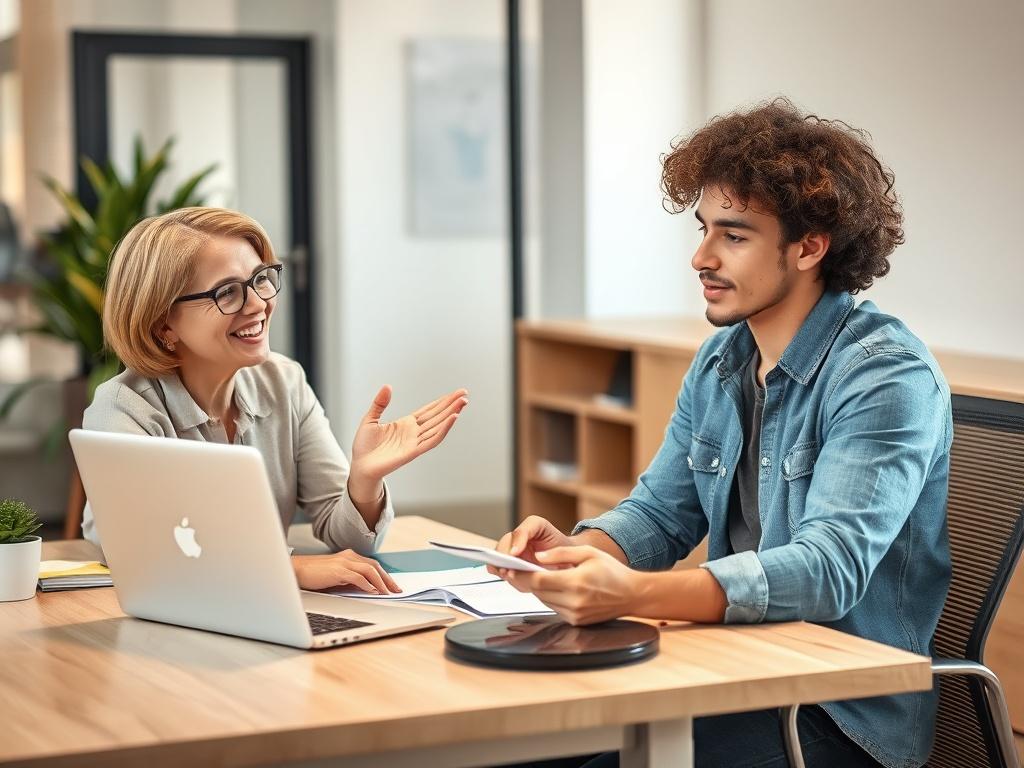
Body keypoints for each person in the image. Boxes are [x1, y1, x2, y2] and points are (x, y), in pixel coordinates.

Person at [492, 100, 951, 768]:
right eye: (704, 229)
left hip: (834, 714)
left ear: (808, 246)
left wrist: (633, 593)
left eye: (733, 236)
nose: (701, 257)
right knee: (513, 750)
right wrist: (575, 556)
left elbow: (829, 570)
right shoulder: (723, 357)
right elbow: (659, 512)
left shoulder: (885, 375)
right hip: (729, 670)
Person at [82, 206, 468, 595]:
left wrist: (364, 481)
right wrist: (289, 569)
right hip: (178, 618)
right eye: (228, 292)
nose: (257, 305)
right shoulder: (123, 410)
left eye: (260, 280)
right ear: (164, 323)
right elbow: (129, 546)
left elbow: (352, 545)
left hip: (266, 610)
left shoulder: (284, 382)